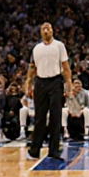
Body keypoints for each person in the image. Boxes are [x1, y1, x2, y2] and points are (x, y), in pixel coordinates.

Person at [26, 22, 72, 161]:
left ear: (52, 31)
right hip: (40, 82)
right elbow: (32, 67)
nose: (46, 30)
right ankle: (35, 151)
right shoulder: (36, 48)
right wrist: (28, 83)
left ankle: (54, 151)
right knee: (39, 117)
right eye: (44, 29)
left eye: (48, 28)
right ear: (41, 32)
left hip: (55, 82)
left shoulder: (59, 46)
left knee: (55, 117)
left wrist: (68, 85)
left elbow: (66, 67)